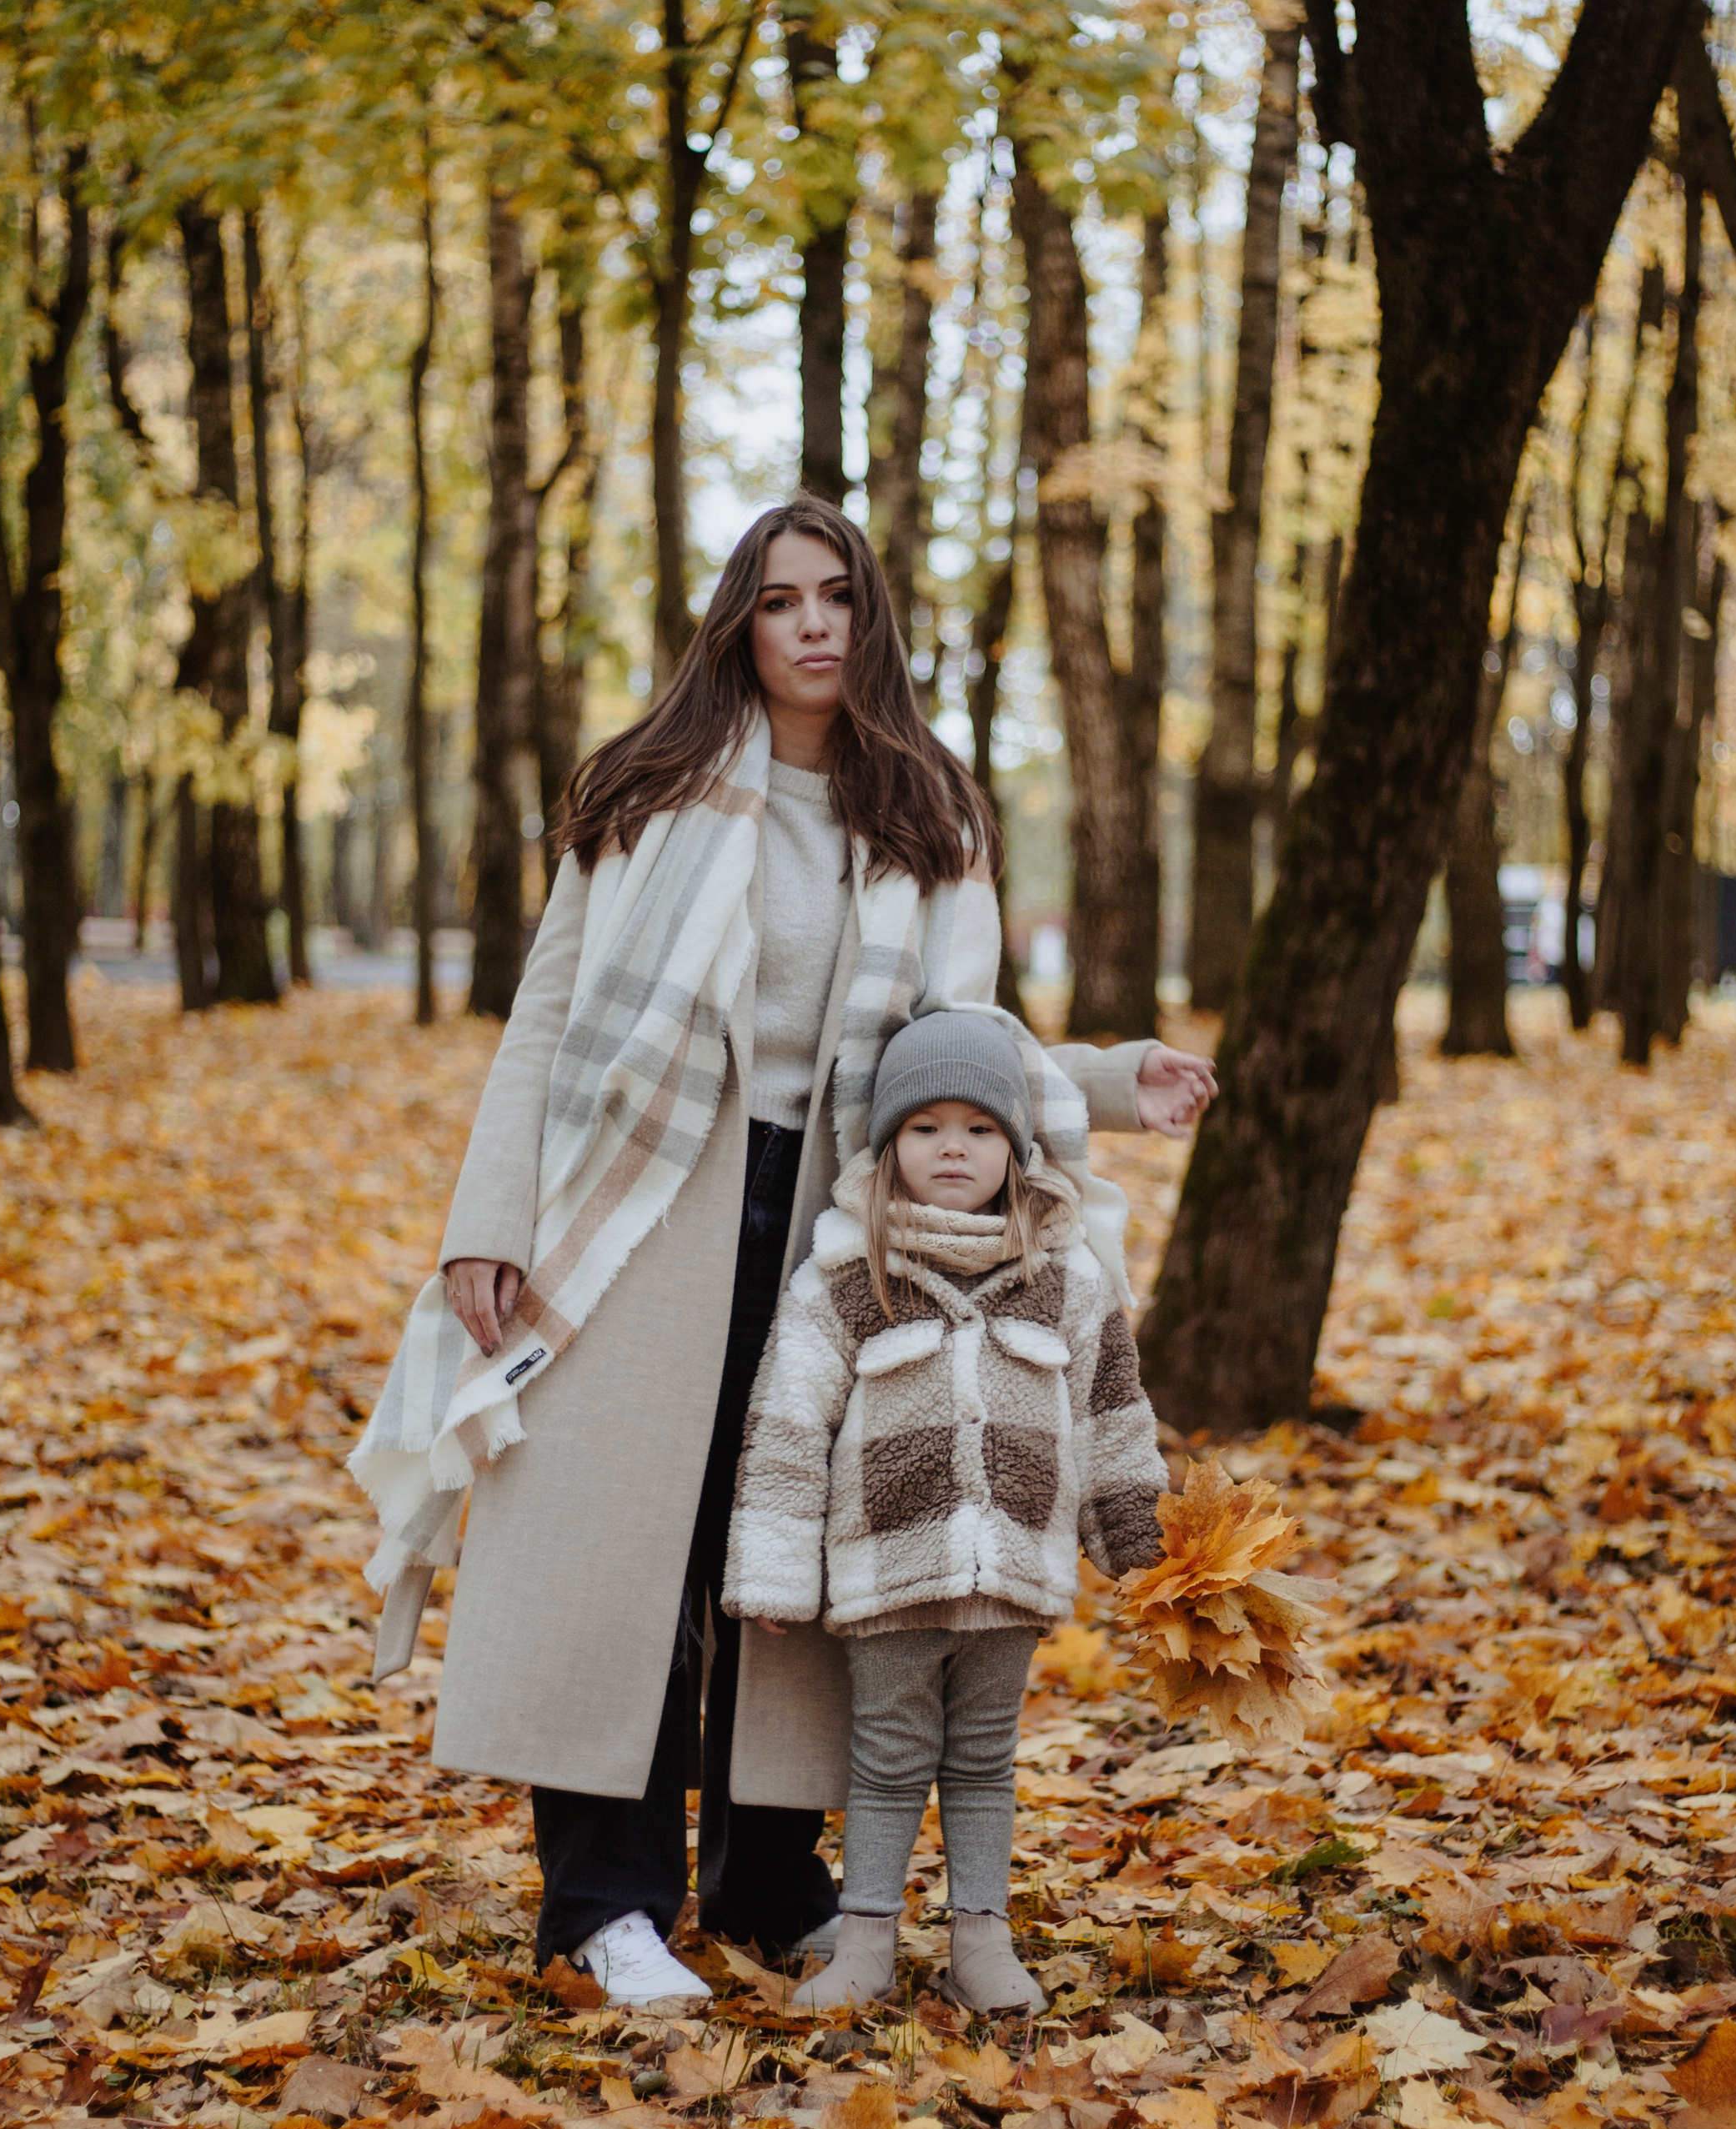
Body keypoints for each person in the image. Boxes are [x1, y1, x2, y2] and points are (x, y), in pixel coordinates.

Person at [357, 496, 1212, 2012]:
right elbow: (544, 1018)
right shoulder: (648, 790)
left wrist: (1095, 1086)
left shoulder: (930, 820)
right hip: (639, 1213)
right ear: (738, 625)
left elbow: (955, 1053)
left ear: (871, 620)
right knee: (628, 1555)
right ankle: (604, 1906)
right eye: (777, 601)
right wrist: (485, 1224)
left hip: (839, 1225)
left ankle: (770, 1885)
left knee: (802, 1557)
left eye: (836, 598)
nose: (811, 624)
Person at [726, 1011, 1172, 2015]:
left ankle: (982, 1942)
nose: (953, 1148)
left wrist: (1140, 1543)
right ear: (887, 1150)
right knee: (884, 1763)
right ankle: (867, 1946)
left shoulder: (1065, 1279)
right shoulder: (847, 1281)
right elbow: (788, 1429)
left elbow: (1112, 1413)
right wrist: (774, 1571)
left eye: (977, 1128)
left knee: (981, 1764)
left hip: (1012, 1575)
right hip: (888, 1575)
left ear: (1014, 1148)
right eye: (925, 1129)